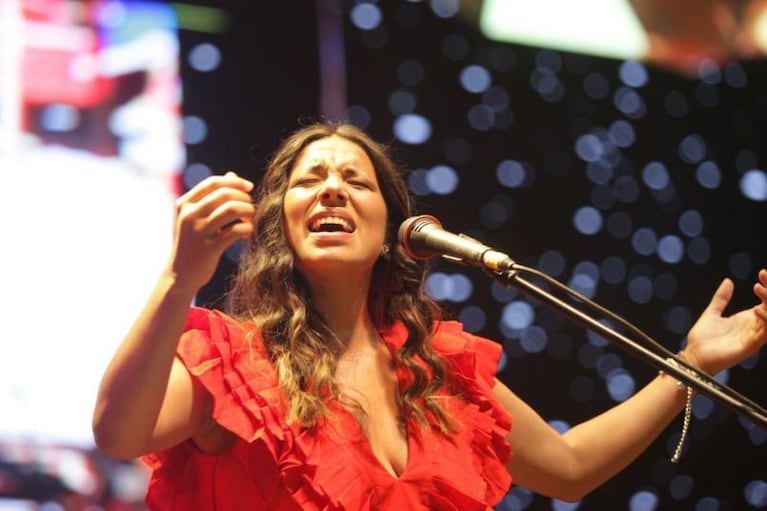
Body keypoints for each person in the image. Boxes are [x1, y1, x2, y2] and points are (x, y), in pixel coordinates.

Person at [92, 121, 767, 510]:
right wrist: (180, 278)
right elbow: (119, 433)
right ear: (281, 224)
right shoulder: (234, 360)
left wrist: (691, 365)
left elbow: (567, 465)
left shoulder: (436, 372)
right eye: (308, 179)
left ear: (395, 231)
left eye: (355, 180)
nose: (331, 186)